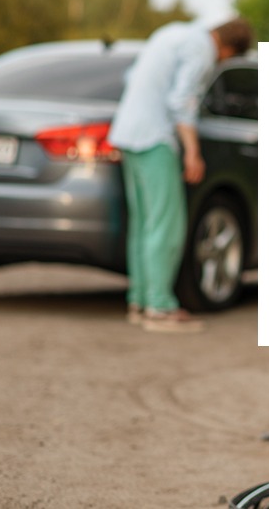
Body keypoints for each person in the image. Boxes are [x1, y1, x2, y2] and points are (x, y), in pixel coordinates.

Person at [108, 18, 253, 333]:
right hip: (155, 138)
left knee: (145, 224)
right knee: (167, 225)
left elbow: (131, 76)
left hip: (128, 133)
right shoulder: (201, 49)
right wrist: (192, 152)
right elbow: (181, 102)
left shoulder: (170, 33)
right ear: (228, 48)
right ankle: (159, 307)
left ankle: (141, 301)